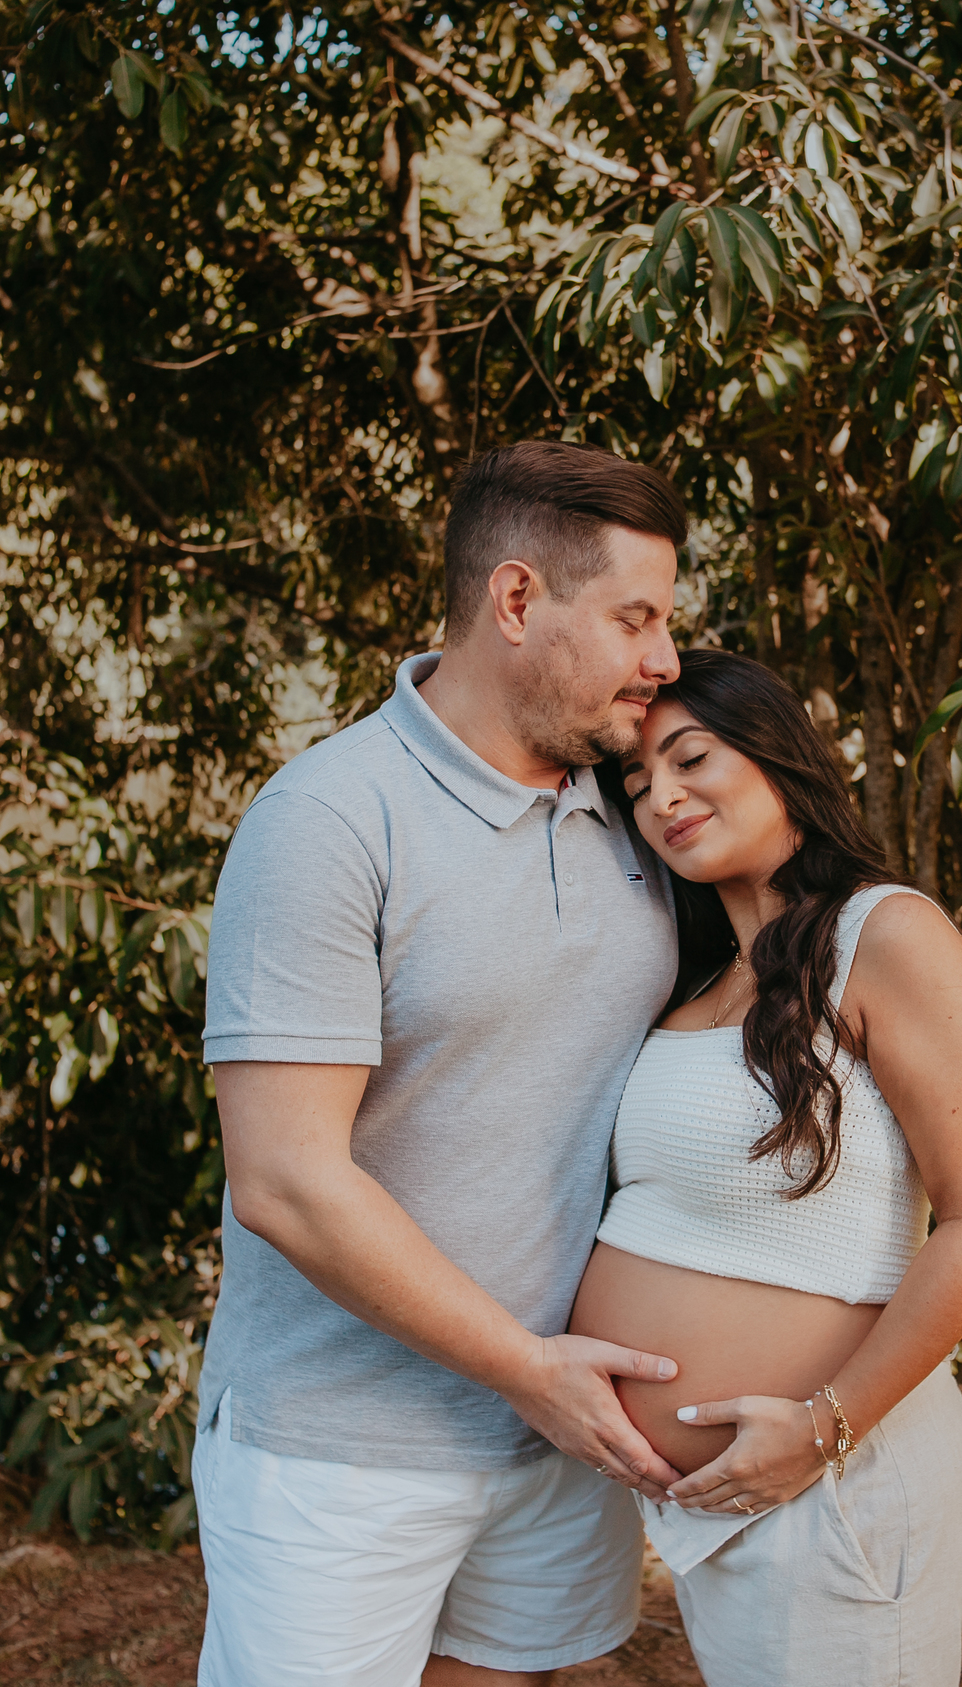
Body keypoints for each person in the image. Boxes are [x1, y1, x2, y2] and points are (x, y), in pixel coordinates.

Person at [194, 441, 691, 1687]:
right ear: (516, 601)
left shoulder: (641, 813)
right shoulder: (326, 820)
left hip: (556, 1450)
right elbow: (286, 1180)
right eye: (636, 619)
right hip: (340, 1455)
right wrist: (528, 1373)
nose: (665, 661)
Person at [570, 647, 962, 1687]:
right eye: (638, 789)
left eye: (691, 759)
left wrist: (824, 1429)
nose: (664, 800)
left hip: (841, 1484)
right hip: (726, 1506)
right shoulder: (698, 983)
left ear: (777, 753)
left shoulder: (888, 934)